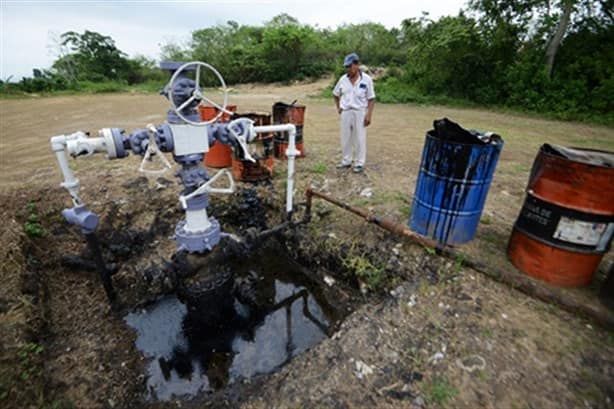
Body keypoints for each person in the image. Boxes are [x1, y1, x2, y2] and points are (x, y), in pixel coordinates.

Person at [332, 53, 375, 173]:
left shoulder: (366, 80)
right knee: (345, 137)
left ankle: (359, 163)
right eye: (346, 67)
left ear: (357, 65)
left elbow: (371, 98)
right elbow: (335, 94)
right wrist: (339, 107)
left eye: (350, 66)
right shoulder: (343, 79)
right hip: (346, 111)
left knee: (359, 137)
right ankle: (346, 161)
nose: (348, 69)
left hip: (360, 111)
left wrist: (369, 115)